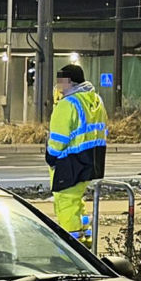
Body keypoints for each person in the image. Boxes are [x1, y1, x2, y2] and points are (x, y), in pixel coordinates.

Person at [46, 64, 107, 245]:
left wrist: (50, 156)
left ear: (69, 81)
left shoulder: (67, 104)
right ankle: (86, 241)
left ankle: (70, 251)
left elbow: (58, 138)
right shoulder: (95, 100)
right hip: (90, 161)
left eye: (60, 82)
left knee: (66, 206)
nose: (58, 86)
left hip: (69, 164)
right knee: (77, 204)